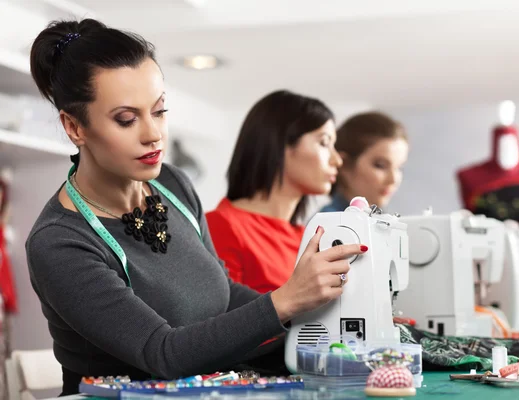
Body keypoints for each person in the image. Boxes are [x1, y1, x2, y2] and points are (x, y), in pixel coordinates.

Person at [25, 19, 367, 395]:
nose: (153, 133)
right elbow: (163, 353)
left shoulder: (172, 185)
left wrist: (314, 317)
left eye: (159, 111)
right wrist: (285, 301)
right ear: (75, 127)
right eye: (126, 119)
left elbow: (223, 293)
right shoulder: (59, 242)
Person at [206, 90, 342, 294]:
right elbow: (224, 321)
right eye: (324, 143)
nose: (337, 160)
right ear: (280, 143)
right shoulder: (221, 226)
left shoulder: (306, 237)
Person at [321, 111, 409, 212]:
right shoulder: (329, 223)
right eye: (380, 165)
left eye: (399, 167)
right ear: (344, 164)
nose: (393, 180)